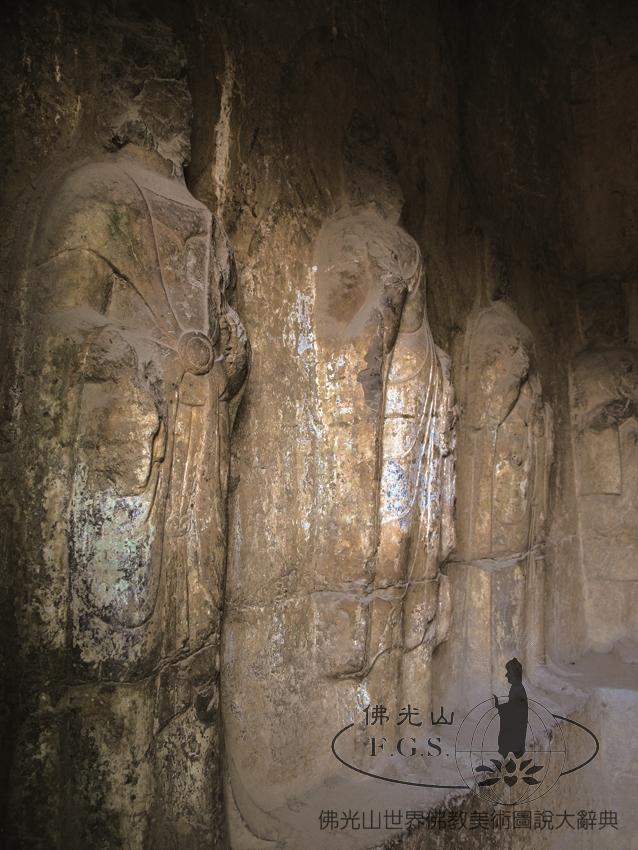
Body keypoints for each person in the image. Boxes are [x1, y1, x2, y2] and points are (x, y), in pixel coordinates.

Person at [494, 657, 528, 758]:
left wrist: (500, 707)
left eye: (508, 672)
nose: (506, 675)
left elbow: (516, 710)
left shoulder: (517, 689)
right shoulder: (516, 688)